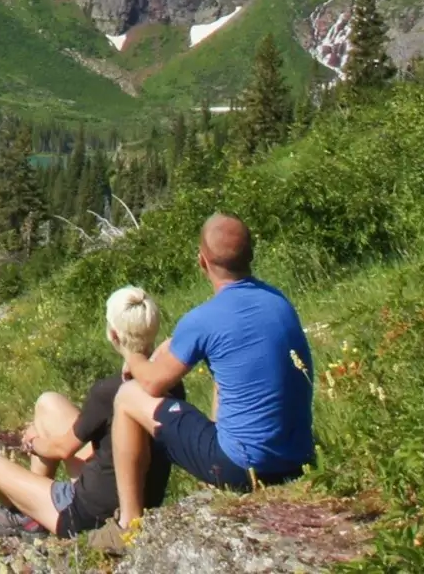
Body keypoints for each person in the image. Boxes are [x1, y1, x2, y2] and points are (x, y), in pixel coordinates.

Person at [92, 213, 315, 557]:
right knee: (229, 375)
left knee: (127, 397)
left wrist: (130, 352)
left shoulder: (203, 319)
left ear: (202, 261)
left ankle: (128, 526)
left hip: (243, 467)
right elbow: (224, 346)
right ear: (250, 255)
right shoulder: (278, 301)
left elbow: (151, 383)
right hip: (297, 459)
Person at [0, 287, 180, 540]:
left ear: (113, 334)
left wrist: (32, 441)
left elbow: (63, 450)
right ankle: (34, 513)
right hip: (139, 496)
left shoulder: (109, 392)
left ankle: (31, 515)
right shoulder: (171, 383)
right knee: (48, 403)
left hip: (88, 512)